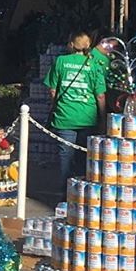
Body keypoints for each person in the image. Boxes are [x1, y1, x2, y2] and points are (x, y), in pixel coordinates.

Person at [44, 31, 107, 188]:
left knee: (65, 158)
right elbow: (100, 96)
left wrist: (57, 104)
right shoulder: (93, 65)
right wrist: (103, 119)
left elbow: (52, 90)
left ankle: (65, 195)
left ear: (71, 44)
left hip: (64, 117)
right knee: (84, 158)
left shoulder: (61, 61)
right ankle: (80, 195)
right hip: (88, 118)